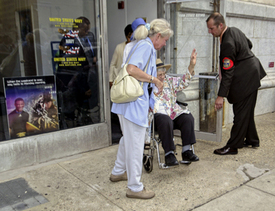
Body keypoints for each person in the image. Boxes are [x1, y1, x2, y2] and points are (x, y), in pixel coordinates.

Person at [109, 18, 173, 199]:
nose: (165, 44)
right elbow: (131, 69)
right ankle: (135, 187)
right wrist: (154, 80)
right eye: (165, 40)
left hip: (129, 104)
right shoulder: (146, 47)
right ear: (158, 36)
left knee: (127, 140)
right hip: (133, 104)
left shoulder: (144, 45)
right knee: (136, 145)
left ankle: (118, 171)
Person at [206, 12, 266, 155]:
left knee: (240, 113)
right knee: (247, 111)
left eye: (212, 28)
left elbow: (228, 73)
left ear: (220, 25)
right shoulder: (234, 30)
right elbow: (249, 44)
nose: (210, 32)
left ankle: (233, 146)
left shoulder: (227, 43)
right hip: (252, 73)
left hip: (246, 79)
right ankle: (252, 140)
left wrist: (221, 96)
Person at [153, 56, 199, 166]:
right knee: (165, 120)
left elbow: (183, 82)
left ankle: (186, 151)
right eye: (160, 75)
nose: (163, 77)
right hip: (158, 116)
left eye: (164, 74)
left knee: (188, 118)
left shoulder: (168, 80)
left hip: (173, 113)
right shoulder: (148, 85)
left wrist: (191, 66)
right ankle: (169, 154)